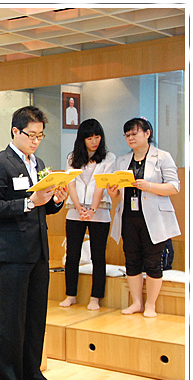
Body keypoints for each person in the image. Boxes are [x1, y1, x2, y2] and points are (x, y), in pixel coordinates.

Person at [0, 105, 67, 380]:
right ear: (15, 131)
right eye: (31, 135)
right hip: (13, 252)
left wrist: (56, 200)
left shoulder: (38, 162)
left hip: (39, 249)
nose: (35, 141)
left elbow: (43, 207)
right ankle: (8, 379)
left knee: (35, 315)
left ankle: (32, 371)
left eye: (40, 135)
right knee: (12, 318)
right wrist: (30, 202)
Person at [107, 117, 180, 318]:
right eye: (127, 135)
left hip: (154, 218)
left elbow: (174, 187)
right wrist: (113, 192)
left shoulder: (162, 157)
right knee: (131, 260)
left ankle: (150, 305)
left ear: (147, 134)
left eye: (134, 133)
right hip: (129, 217)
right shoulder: (122, 160)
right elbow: (117, 191)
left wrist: (149, 186)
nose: (130, 138)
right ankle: (136, 302)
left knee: (153, 261)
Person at [60, 119, 115, 311]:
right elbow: (71, 184)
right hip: (75, 211)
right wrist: (78, 207)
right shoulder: (72, 157)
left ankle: (95, 298)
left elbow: (101, 184)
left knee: (98, 256)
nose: (94, 141)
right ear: (82, 139)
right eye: (90, 138)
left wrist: (91, 209)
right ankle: (70, 295)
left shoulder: (108, 157)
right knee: (72, 254)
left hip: (99, 211)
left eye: (97, 137)